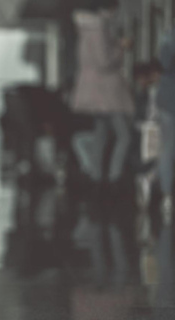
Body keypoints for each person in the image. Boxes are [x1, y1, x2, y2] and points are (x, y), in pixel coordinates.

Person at [71, 0, 134, 197]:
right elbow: (104, 60)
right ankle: (114, 177)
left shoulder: (85, 27)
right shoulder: (101, 26)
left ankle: (97, 177)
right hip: (107, 90)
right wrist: (121, 47)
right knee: (124, 135)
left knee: (101, 134)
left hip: (93, 89)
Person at [157, 28, 175, 220]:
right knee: (168, 149)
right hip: (171, 101)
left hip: (168, 100)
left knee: (167, 149)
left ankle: (167, 196)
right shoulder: (169, 39)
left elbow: (163, 65)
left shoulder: (167, 38)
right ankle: (167, 196)